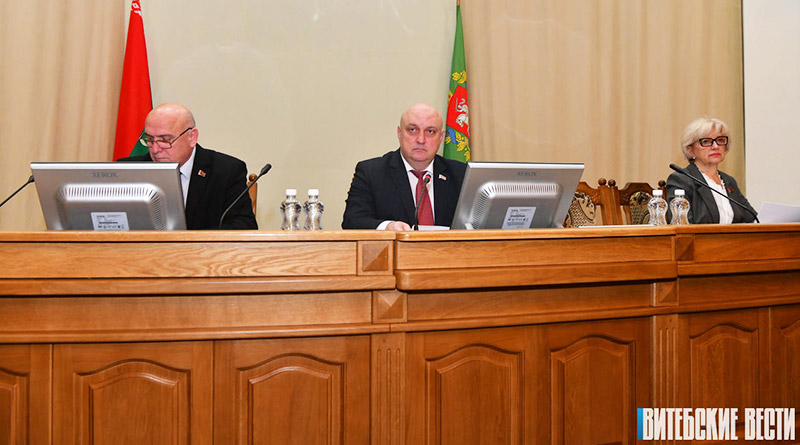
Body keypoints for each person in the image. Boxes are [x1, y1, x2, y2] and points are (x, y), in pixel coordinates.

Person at [118, 103, 258, 229]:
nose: (155, 150)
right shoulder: (128, 170)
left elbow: (243, 226)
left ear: (192, 137)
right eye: (150, 139)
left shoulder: (226, 171)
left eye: (165, 140)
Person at [342, 103, 466, 230]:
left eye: (430, 131)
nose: (421, 139)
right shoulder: (371, 173)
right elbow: (352, 221)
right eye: (412, 130)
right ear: (399, 133)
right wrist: (387, 227)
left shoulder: (461, 175)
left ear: (441, 137)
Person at [666, 117, 757, 224]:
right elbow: (682, 225)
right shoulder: (681, 180)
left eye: (720, 140)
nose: (715, 146)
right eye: (706, 141)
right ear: (690, 150)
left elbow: (753, 219)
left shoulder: (729, 181)